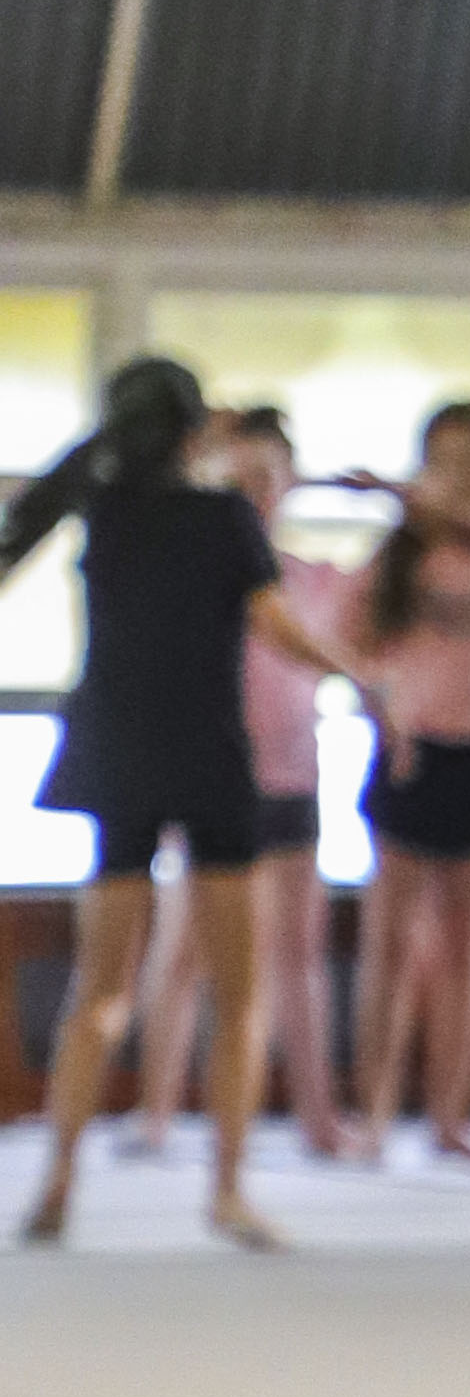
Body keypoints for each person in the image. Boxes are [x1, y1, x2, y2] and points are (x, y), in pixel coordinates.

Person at [9, 364, 349, 1250]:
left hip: (119, 755)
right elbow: (276, 626)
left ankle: (58, 1181)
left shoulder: (105, 511)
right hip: (208, 757)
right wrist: (354, 671)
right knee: (239, 992)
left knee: (102, 986)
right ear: (196, 432)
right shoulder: (225, 518)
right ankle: (229, 1191)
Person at [129, 406, 351, 1171]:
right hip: (213, 773)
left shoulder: (317, 578)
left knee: (299, 952)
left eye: (270, 476)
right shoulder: (196, 568)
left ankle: (320, 1116)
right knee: (184, 946)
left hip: (294, 774)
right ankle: (155, 1113)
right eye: (243, 476)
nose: (258, 491)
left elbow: (349, 648)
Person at [353, 402, 470, 1160]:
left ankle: (454, 1117)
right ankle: (376, 1113)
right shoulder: (396, 558)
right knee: (390, 943)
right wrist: (384, 717)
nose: (459, 476)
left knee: (464, 944)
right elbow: (354, 650)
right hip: (411, 752)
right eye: (444, 460)